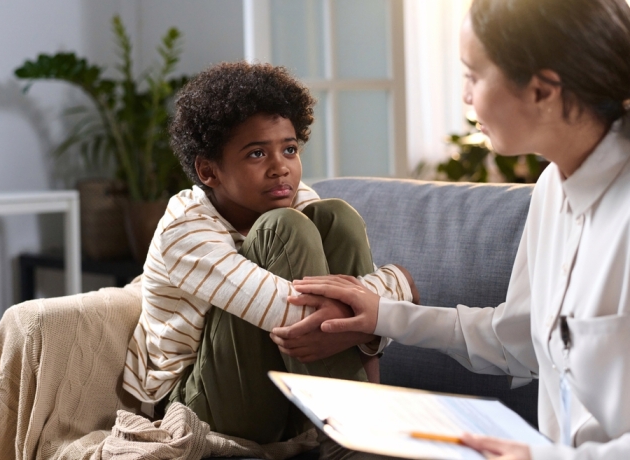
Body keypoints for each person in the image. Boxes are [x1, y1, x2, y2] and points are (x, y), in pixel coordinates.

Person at [271, 0, 630, 458]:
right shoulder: (553, 191)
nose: (465, 96)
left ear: (543, 91)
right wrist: (381, 314)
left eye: (473, 76)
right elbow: (516, 338)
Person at [121, 61, 415, 448]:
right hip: (197, 404)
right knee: (284, 227)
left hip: (285, 396)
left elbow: (354, 316)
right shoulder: (185, 229)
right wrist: (399, 287)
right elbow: (300, 318)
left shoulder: (297, 199)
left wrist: (379, 309)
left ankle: (356, 434)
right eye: (257, 154)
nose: (281, 169)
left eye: (289, 149)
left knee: (336, 217)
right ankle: (360, 440)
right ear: (208, 171)